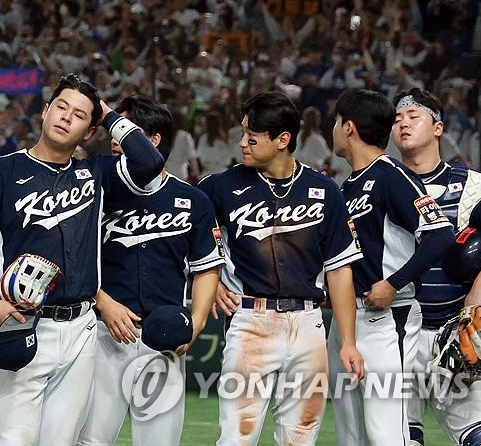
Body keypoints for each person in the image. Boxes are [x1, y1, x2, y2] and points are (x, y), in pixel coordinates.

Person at [0, 74, 165, 445]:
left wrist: (109, 116)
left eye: (79, 115)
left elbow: (149, 161)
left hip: (80, 329)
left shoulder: (95, 173)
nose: (66, 117)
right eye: (61, 107)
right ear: (45, 112)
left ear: (88, 132)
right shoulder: (1, 171)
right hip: (21, 321)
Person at [198, 90, 364, 446]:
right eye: (243, 133)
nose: (242, 142)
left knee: (300, 438)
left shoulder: (323, 190)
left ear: (282, 140)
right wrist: (208, 283)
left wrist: (347, 342)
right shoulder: (219, 187)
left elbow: (339, 270)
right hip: (250, 323)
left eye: (251, 136)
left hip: (308, 325)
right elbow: (184, 245)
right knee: (236, 438)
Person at [78, 94, 224, 445]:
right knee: (90, 441)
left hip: (164, 340)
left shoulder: (192, 200)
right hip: (104, 333)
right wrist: (103, 301)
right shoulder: (95, 188)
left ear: (153, 140)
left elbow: (206, 269)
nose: (116, 138)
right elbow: (74, 257)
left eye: (127, 129)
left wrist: (197, 323)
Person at [330, 87, 456, 445]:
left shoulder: (390, 174)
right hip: (349, 319)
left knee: (387, 431)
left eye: (337, 122)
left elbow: (440, 233)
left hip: (388, 318)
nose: (333, 129)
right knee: (351, 433)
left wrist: (394, 283)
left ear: (349, 127)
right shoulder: (347, 185)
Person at [389, 87, 481, 446]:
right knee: (402, 440)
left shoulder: (472, 184)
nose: (403, 123)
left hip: (455, 335)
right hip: (396, 337)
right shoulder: (381, 184)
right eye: (397, 118)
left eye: (413, 116)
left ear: (437, 128)